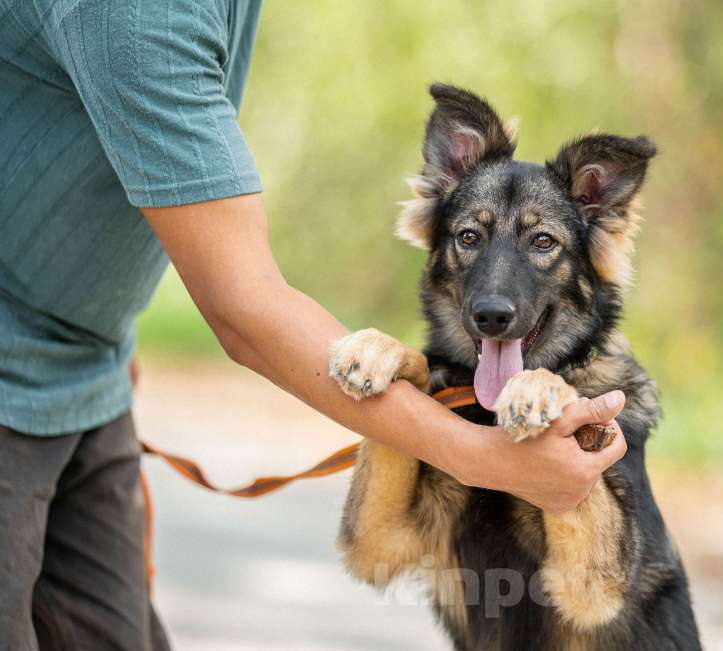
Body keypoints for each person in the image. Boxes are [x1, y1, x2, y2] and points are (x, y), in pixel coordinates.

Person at [0, 1, 628, 648]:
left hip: (83, 367)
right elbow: (244, 306)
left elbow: (594, 590)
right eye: (470, 237)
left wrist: (101, 324)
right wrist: (469, 445)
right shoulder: (140, 15)